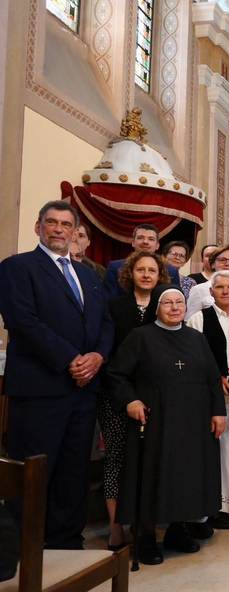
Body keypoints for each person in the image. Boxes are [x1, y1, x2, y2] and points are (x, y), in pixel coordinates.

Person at [0, 200, 113, 550]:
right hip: (40, 389)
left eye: (66, 224)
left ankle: (65, 541)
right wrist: (70, 359)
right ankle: (23, 546)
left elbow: (105, 322)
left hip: (82, 392)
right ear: (39, 227)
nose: (59, 229)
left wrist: (97, 356)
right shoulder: (17, 268)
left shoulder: (88, 275)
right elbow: (23, 321)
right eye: (52, 223)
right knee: (34, 470)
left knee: (73, 471)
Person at [106, 287, 226, 565]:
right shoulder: (141, 337)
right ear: (157, 308)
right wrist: (131, 401)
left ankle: (177, 529)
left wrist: (218, 412)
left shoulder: (196, 339)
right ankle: (146, 535)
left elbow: (212, 379)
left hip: (193, 422)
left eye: (179, 303)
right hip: (155, 421)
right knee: (152, 474)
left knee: (187, 476)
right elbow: (116, 374)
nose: (174, 307)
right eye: (168, 303)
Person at [103, 251, 169, 549]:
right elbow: (108, 353)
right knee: (117, 459)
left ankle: (146, 526)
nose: (145, 274)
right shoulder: (115, 307)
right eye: (140, 269)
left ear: (159, 276)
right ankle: (116, 526)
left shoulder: (165, 305)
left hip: (156, 395)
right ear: (130, 273)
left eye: (151, 270)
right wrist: (126, 397)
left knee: (151, 460)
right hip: (117, 394)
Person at [186, 271, 229, 531]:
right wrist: (215, 380)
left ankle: (228, 508)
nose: (225, 291)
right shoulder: (197, 320)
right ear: (211, 291)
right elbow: (191, 359)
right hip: (204, 396)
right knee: (205, 451)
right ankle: (202, 512)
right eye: (220, 287)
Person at [104, 224, 180, 298]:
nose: (145, 242)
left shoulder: (171, 271)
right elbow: (108, 301)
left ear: (157, 245)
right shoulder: (115, 267)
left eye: (151, 239)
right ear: (133, 242)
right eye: (140, 238)